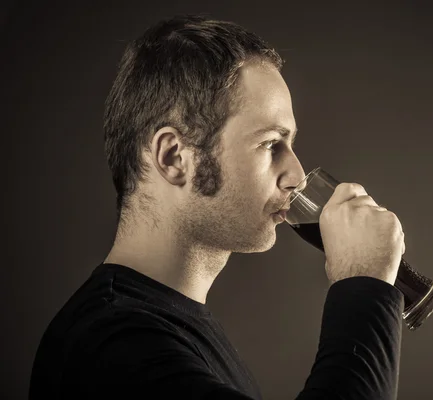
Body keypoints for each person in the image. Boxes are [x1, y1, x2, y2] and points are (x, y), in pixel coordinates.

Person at [29, 14, 406, 400]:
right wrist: (363, 285)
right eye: (270, 143)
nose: (295, 173)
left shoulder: (166, 324)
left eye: (289, 143)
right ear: (175, 157)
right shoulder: (114, 346)